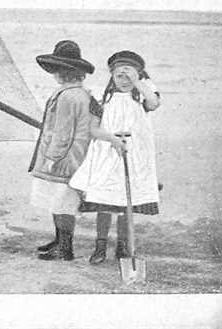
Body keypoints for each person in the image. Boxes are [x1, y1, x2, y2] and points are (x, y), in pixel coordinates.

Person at [69, 50, 161, 264]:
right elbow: (93, 130)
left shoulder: (141, 94)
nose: (125, 80)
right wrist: (113, 140)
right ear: (112, 75)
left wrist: (139, 82)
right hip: (108, 152)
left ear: (139, 76)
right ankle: (100, 246)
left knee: (126, 202)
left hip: (135, 153)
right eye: (120, 75)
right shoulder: (102, 96)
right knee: (105, 201)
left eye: (130, 76)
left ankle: (122, 246)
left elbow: (154, 104)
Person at [28, 40, 97, 261]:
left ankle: (65, 247)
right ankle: (60, 241)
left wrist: (52, 157)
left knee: (62, 202)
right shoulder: (81, 93)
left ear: (63, 72)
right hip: (77, 154)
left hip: (65, 157)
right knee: (61, 201)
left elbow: (63, 132)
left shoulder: (68, 96)